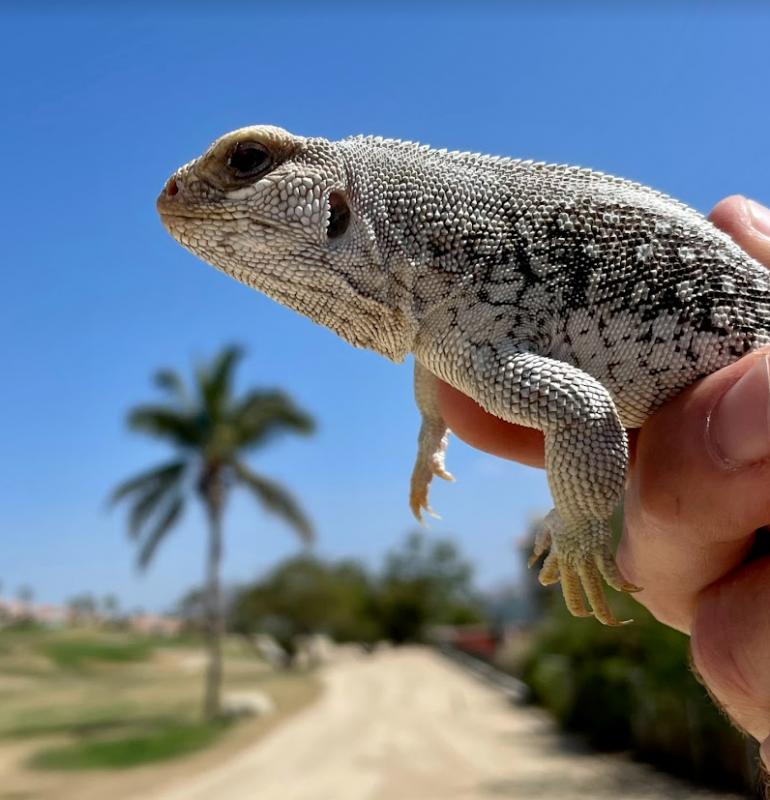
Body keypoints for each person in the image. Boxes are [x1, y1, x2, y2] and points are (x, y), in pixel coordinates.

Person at [435, 195, 770, 764]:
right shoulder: (447, 319)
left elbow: (582, 410)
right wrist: (431, 428)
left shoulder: (461, 320)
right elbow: (431, 349)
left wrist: (581, 522)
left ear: (338, 208)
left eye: (245, 165)